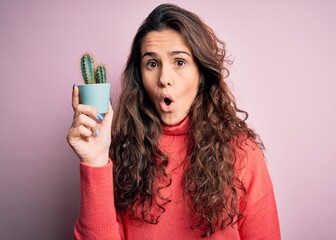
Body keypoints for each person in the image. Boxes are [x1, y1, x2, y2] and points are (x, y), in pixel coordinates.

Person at [67, 3, 280, 240]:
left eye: (179, 62)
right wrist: (95, 162)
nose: (164, 79)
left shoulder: (242, 153)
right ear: (140, 76)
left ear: (201, 73)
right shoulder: (118, 153)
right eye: (152, 64)